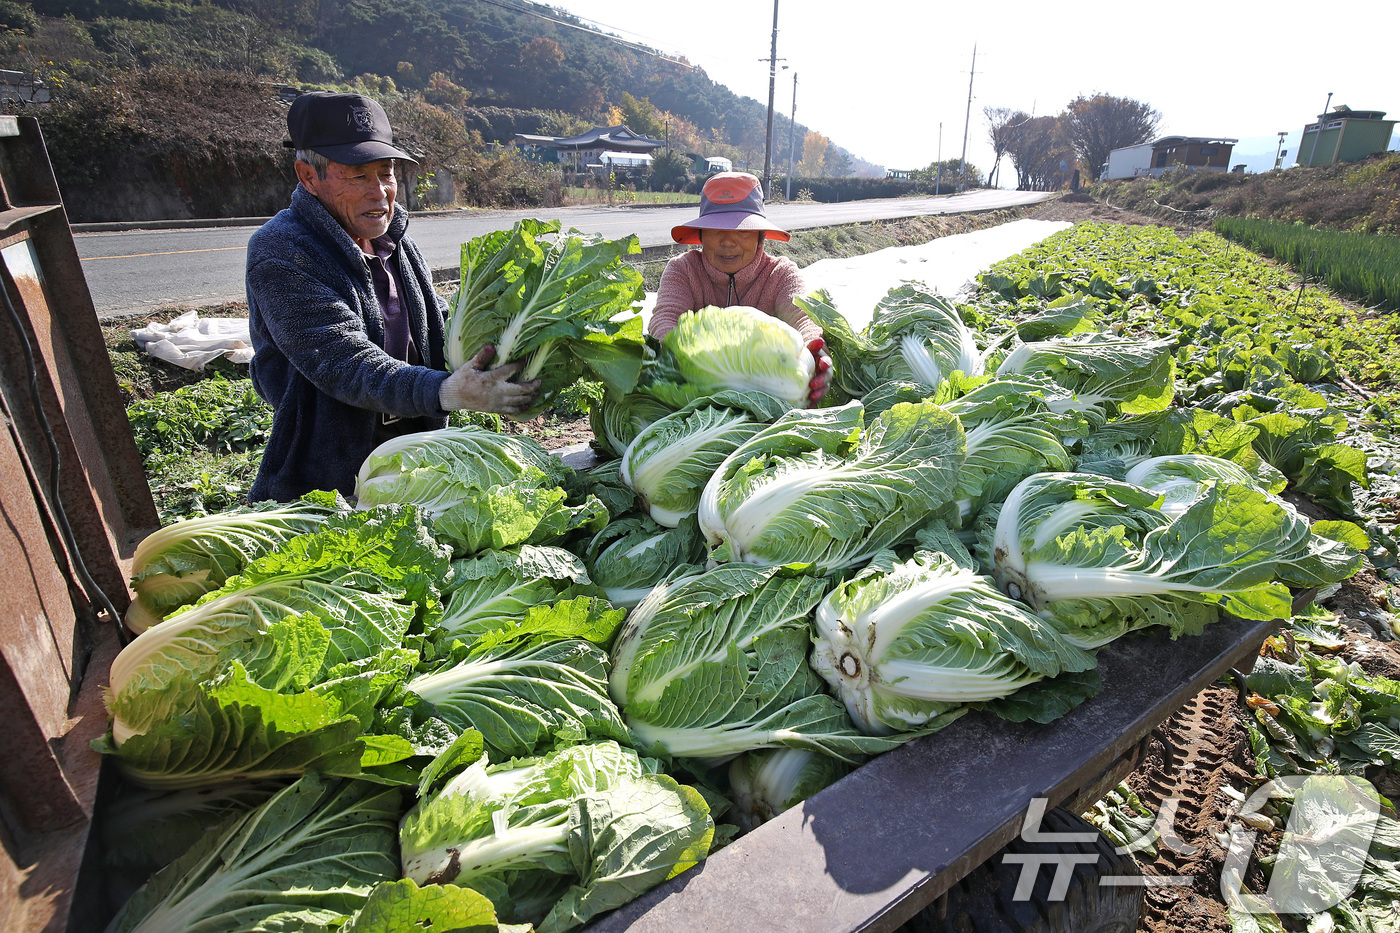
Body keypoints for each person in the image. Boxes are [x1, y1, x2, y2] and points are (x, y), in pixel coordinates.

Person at [245, 92, 539, 502]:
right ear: (308, 177)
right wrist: (448, 392)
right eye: (358, 176)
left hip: (414, 456)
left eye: (387, 173)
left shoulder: (395, 243)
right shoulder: (281, 252)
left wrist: (503, 349)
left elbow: (434, 327)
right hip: (331, 471)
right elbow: (342, 361)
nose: (380, 192)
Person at [650, 172, 831, 405]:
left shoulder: (781, 274)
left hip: (770, 401)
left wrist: (814, 351)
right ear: (701, 236)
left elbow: (803, 317)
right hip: (698, 402)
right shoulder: (683, 270)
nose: (728, 241)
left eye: (743, 230)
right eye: (716, 230)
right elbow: (664, 319)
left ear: (761, 237)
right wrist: (687, 362)